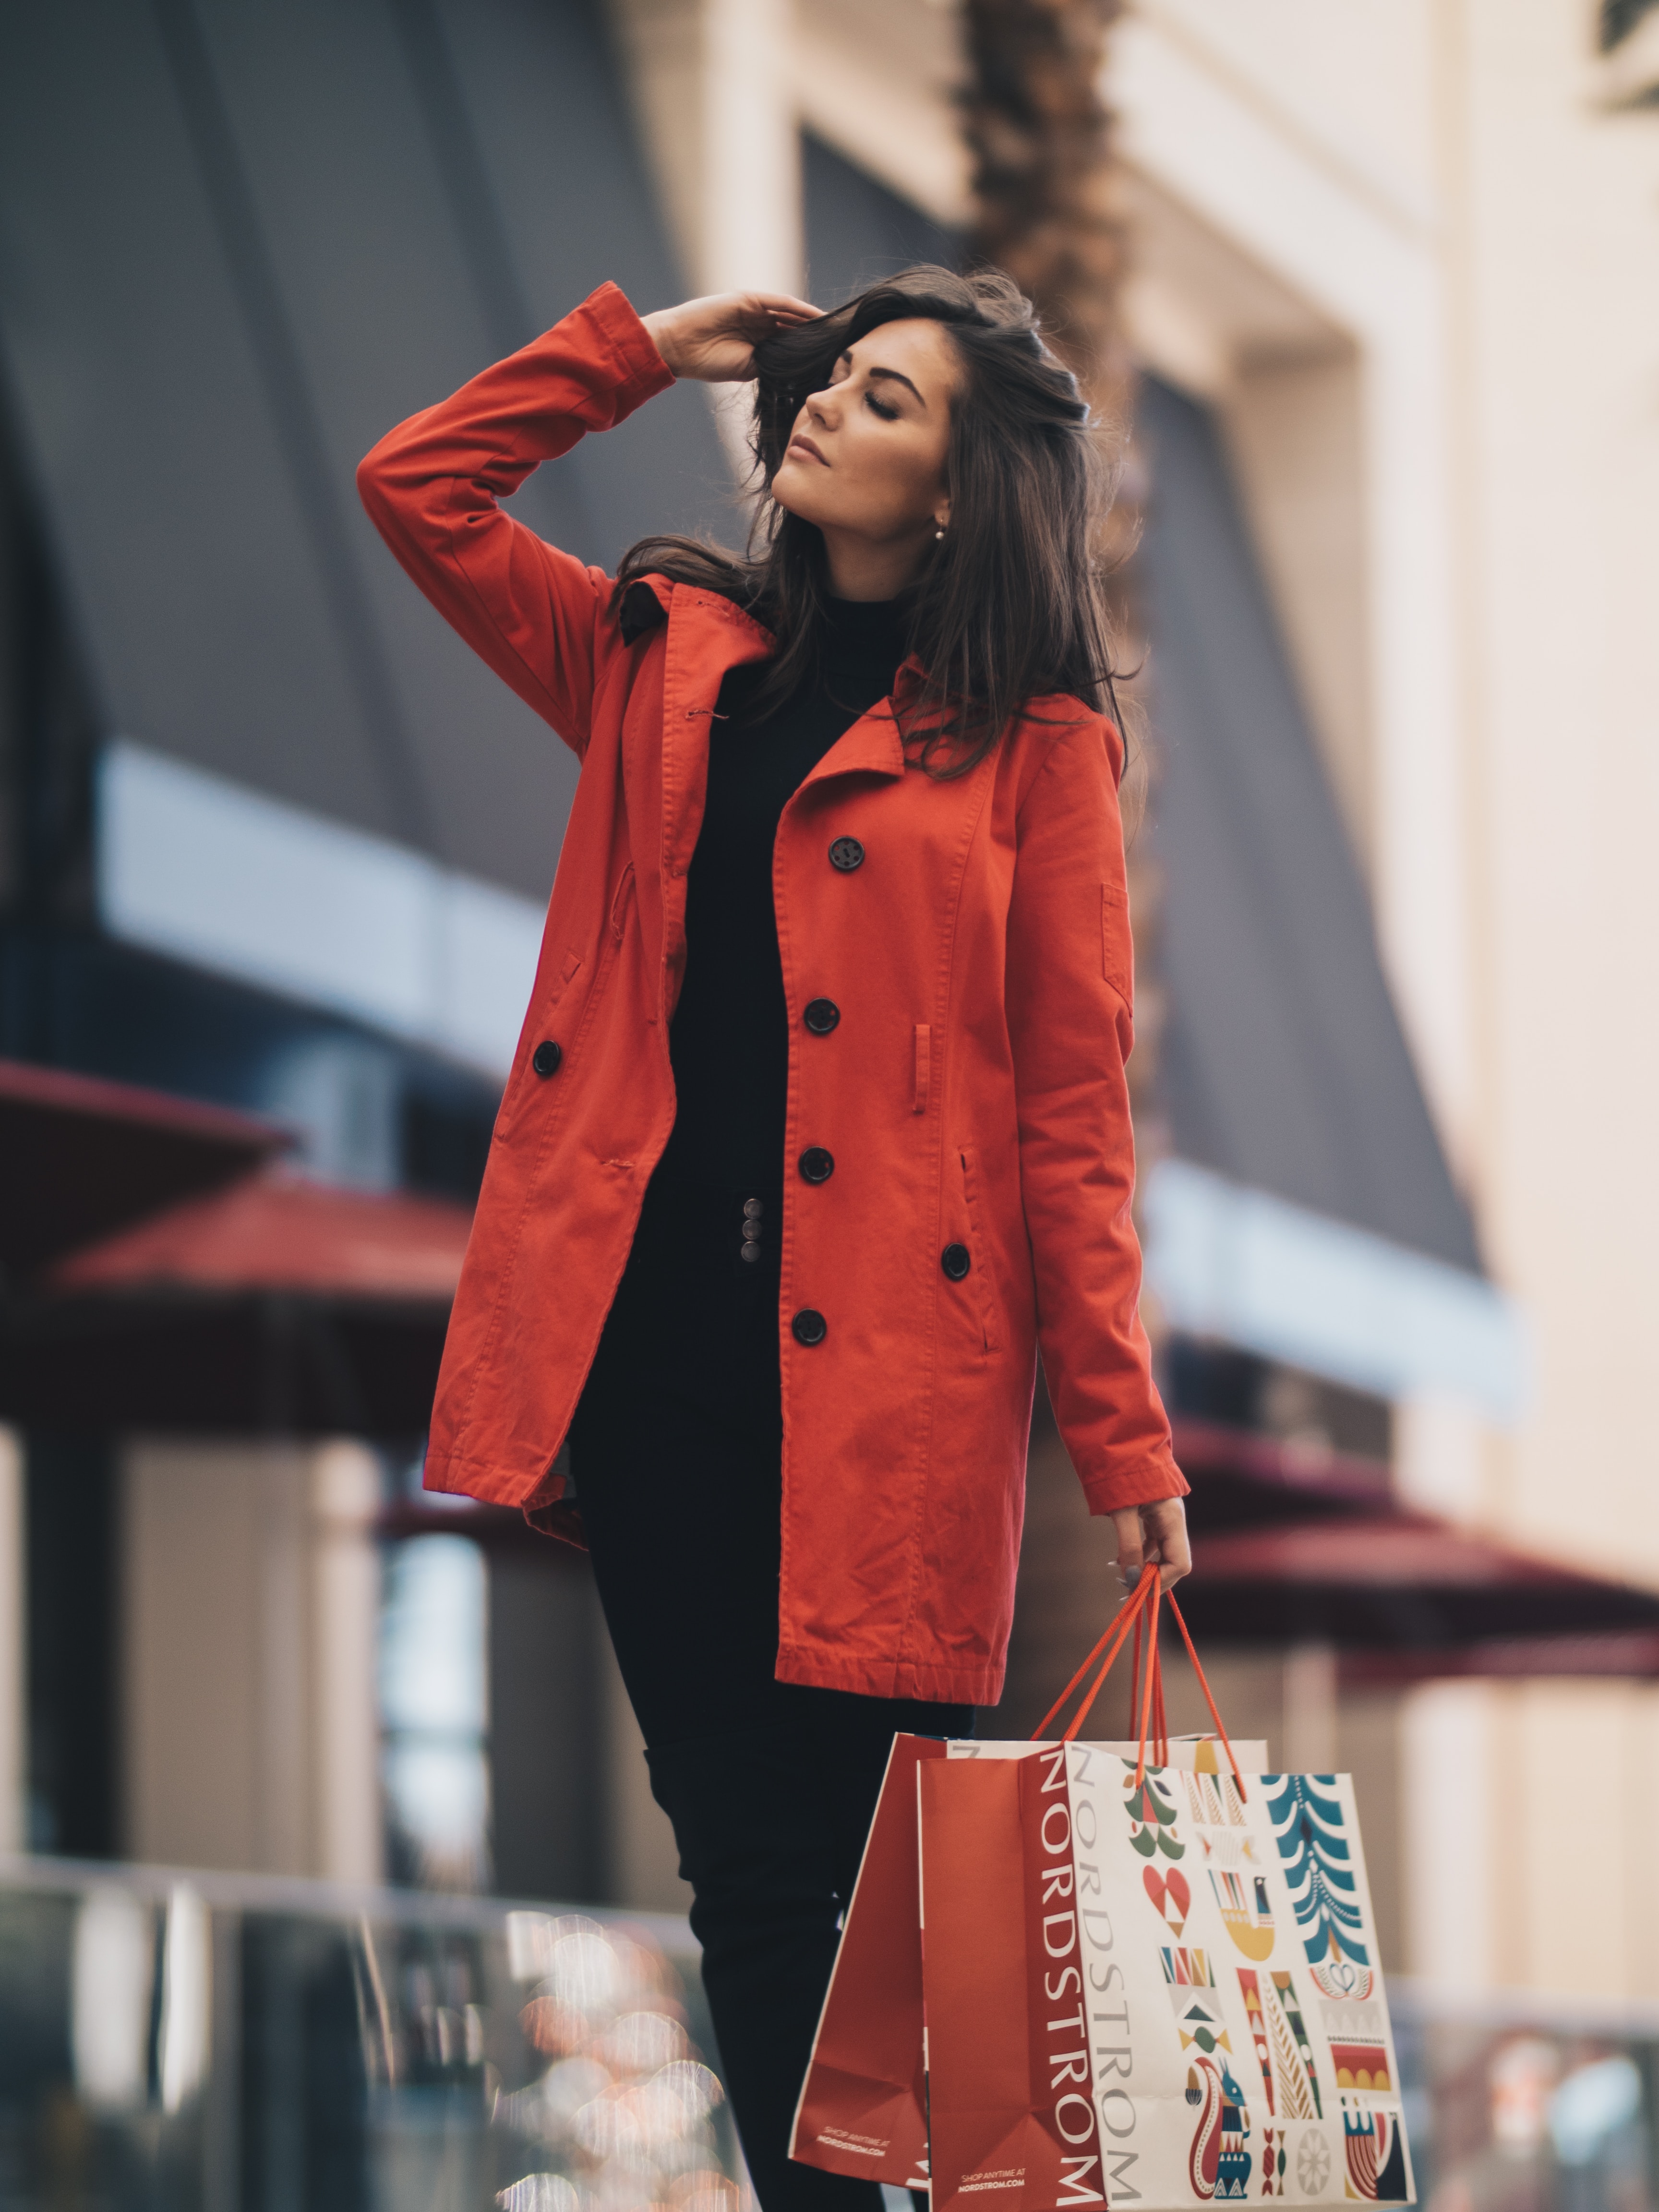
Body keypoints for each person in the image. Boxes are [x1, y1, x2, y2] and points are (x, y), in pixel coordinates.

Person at [358, 268, 1191, 2212]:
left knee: (888, 1895)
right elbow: (419, 490)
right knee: (746, 1872)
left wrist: (1125, 1439)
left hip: (904, 1395)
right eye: (836, 379)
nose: (827, 407)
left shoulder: (1039, 750)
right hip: (656, 1367)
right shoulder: (658, 658)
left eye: (886, 400)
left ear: (962, 490)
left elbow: (1074, 1124)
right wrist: (643, 351)